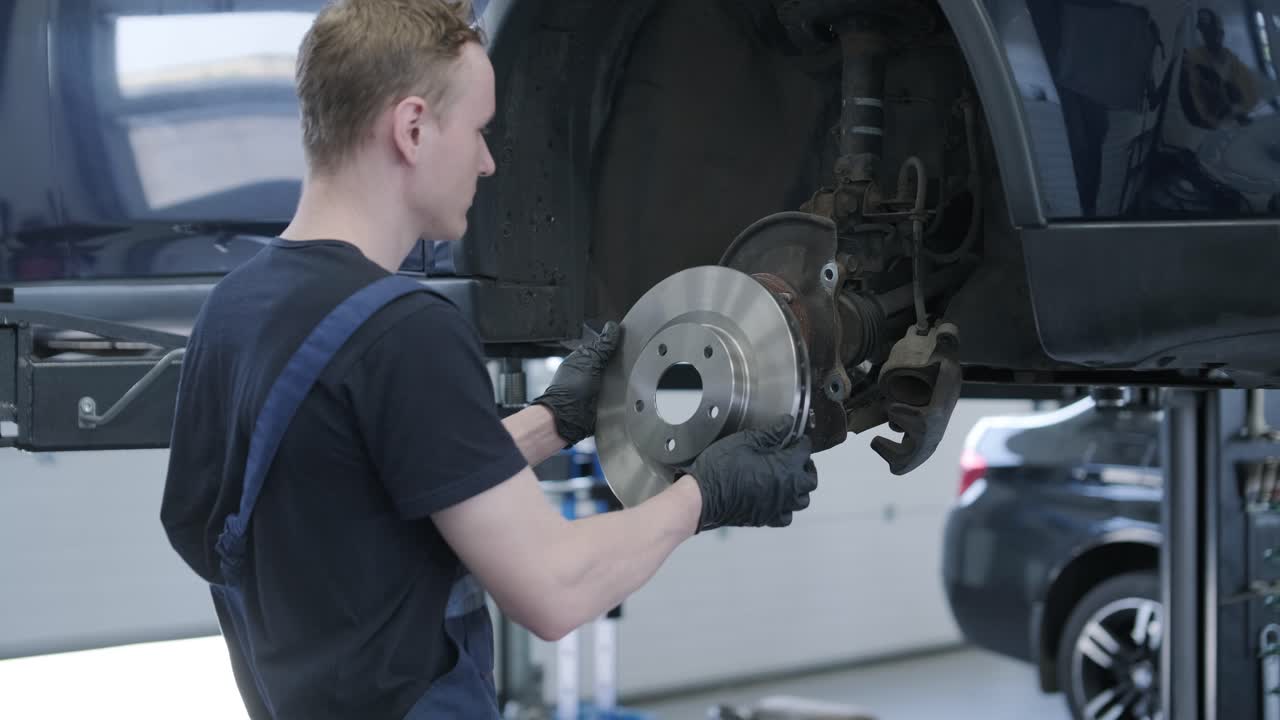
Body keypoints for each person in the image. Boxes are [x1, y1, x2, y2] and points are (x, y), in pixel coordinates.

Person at [158, 1, 819, 718]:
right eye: (478, 130)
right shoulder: (403, 331)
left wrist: (554, 420)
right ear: (412, 129)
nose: (489, 161)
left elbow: (364, 486)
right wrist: (704, 496)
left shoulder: (233, 309)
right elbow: (555, 589)